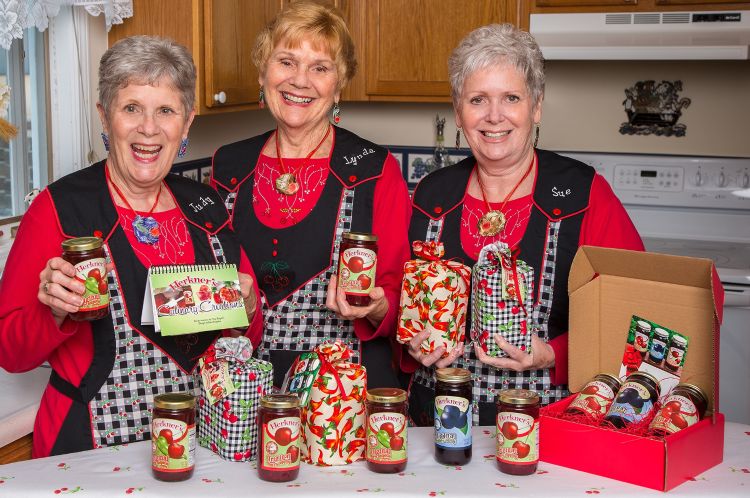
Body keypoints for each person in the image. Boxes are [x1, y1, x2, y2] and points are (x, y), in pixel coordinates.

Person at [0, 36, 261, 457]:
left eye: (166, 111)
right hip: (92, 445)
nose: (149, 128)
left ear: (187, 122)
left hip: (201, 442)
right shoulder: (61, 208)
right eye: (131, 108)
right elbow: (9, 350)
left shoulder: (205, 206)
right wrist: (54, 310)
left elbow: (249, 331)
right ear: (105, 117)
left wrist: (247, 307)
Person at [404, 24, 644, 426]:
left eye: (511, 98)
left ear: (536, 106)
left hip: (547, 427)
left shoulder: (585, 194)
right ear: (458, 111)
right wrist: (411, 340)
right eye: (477, 99)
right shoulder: (431, 195)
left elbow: (631, 312)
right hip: (436, 425)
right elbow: (398, 301)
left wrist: (554, 354)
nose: (494, 116)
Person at [211, 2, 411, 389]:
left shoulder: (375, 169)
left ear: (338, 85)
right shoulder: (227, 167)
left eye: (320, 68)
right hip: (247, 391)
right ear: (263, 72)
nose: (299, 81)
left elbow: (402, 301)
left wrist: (377, 306)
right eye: (286, 62)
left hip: (348, 394)